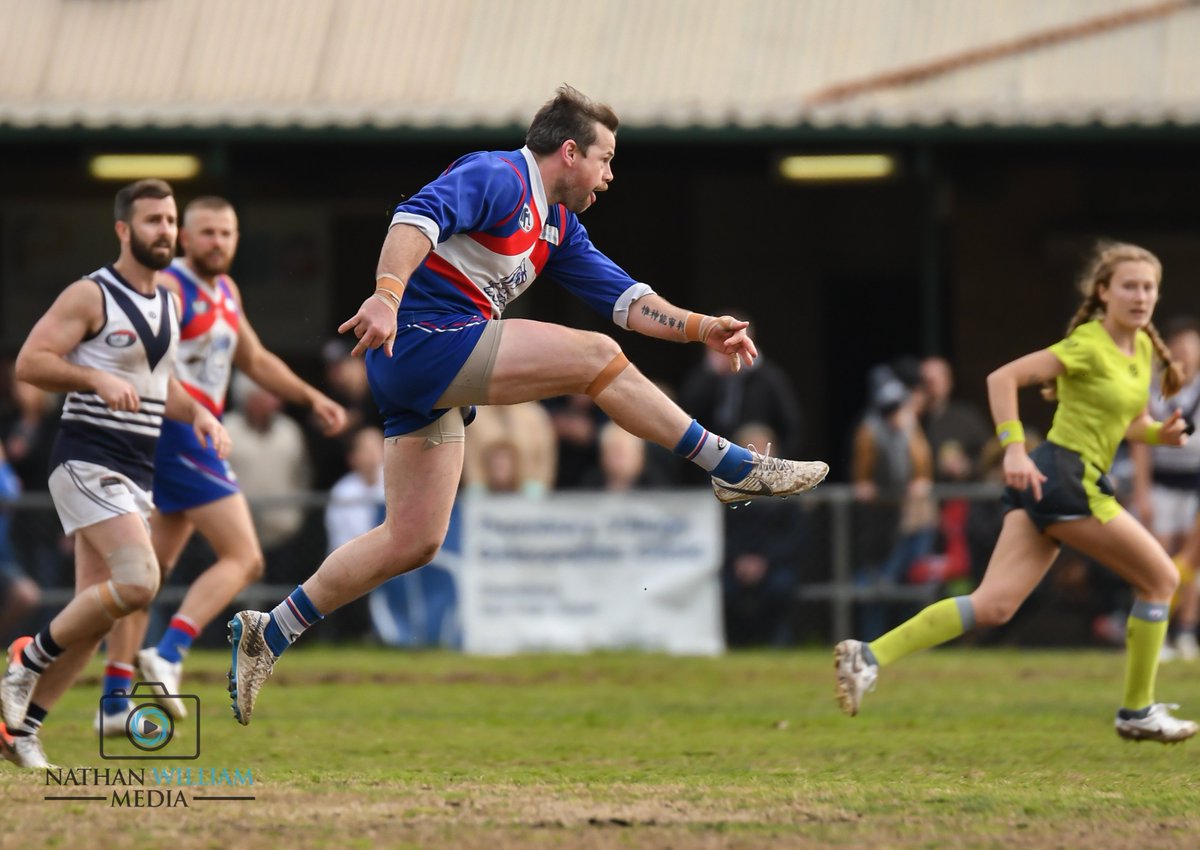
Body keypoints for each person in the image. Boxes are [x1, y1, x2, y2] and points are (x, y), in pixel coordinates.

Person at [224, 84, 829, 725]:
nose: (610, 176)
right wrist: (386, 293)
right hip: (422, 344)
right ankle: (729, 466)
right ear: (569, 153)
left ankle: (272, 628)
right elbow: (413, 221)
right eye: (606, 159)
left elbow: (629, 301)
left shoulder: (557, 225)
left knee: (413, 539)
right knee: (596, 359)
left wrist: (702, 325)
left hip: (424, 371)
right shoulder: (498, 175)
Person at [835, 241, 1199, 743]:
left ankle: (867, 655)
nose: (1140, 296)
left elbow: (1131, 421)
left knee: (994, 605)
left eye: (1148, 287)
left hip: (1053, 480)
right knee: (1161, 578)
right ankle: (1137, 712)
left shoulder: (1138, 350)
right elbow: (1002, 378)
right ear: (1103, 292)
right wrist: (1012, 448)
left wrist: (1162, 435)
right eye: (1129, 286)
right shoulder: (1089, 342)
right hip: (1067, 477)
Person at [95, 197, 347, 735]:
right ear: (185, 238)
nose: (217, 243)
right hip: (179, 432)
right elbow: (147, 364)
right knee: (246, 557)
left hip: (185, 437)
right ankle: (169, 652)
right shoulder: (170, 288)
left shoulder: (226, 292)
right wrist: (194, 415)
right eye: (207, 233)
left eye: (227, 233)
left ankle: (115, 699)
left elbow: (254, 360)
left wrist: (310, 398)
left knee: (147, 576)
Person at [0, 179, 230, 769]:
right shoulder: (90, 294)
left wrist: (200, 412)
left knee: (96, 611)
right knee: (139, 581)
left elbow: (160, 386)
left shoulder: (169, 304)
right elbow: (31, 362)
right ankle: (23, 662)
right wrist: (95, 379)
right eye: (152, 220)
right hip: (85, 458)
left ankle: (20, 731)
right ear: (124, 230)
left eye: (170, 220)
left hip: (137, 468)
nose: (164, 231)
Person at [1129, 318, 1200, 662]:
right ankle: (1156, 632)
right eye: (1180, 345)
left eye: (1192, 345)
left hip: (1195, 483)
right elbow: (1141, 444)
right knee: (1158, 560)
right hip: (1162, 482)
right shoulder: (1154, 387)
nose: (1186, 352)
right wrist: (1141, 493)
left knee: (1192, 561)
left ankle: (1186, 631)